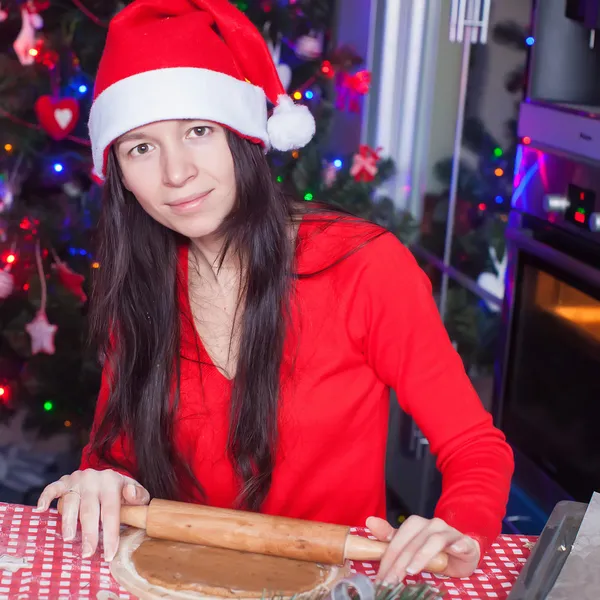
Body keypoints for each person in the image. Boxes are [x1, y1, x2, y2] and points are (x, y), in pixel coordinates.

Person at [36, 0, 514, 586]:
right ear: (119, 174)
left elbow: (473, 444)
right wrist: (102, 479)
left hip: (331, 585)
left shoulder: (363, 266)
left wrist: (459, 524)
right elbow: (114, 457)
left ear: (243, 135)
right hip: (175, 581)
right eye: (141, 147)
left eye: (198, 130)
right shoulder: (139, 279)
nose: (176, 172)